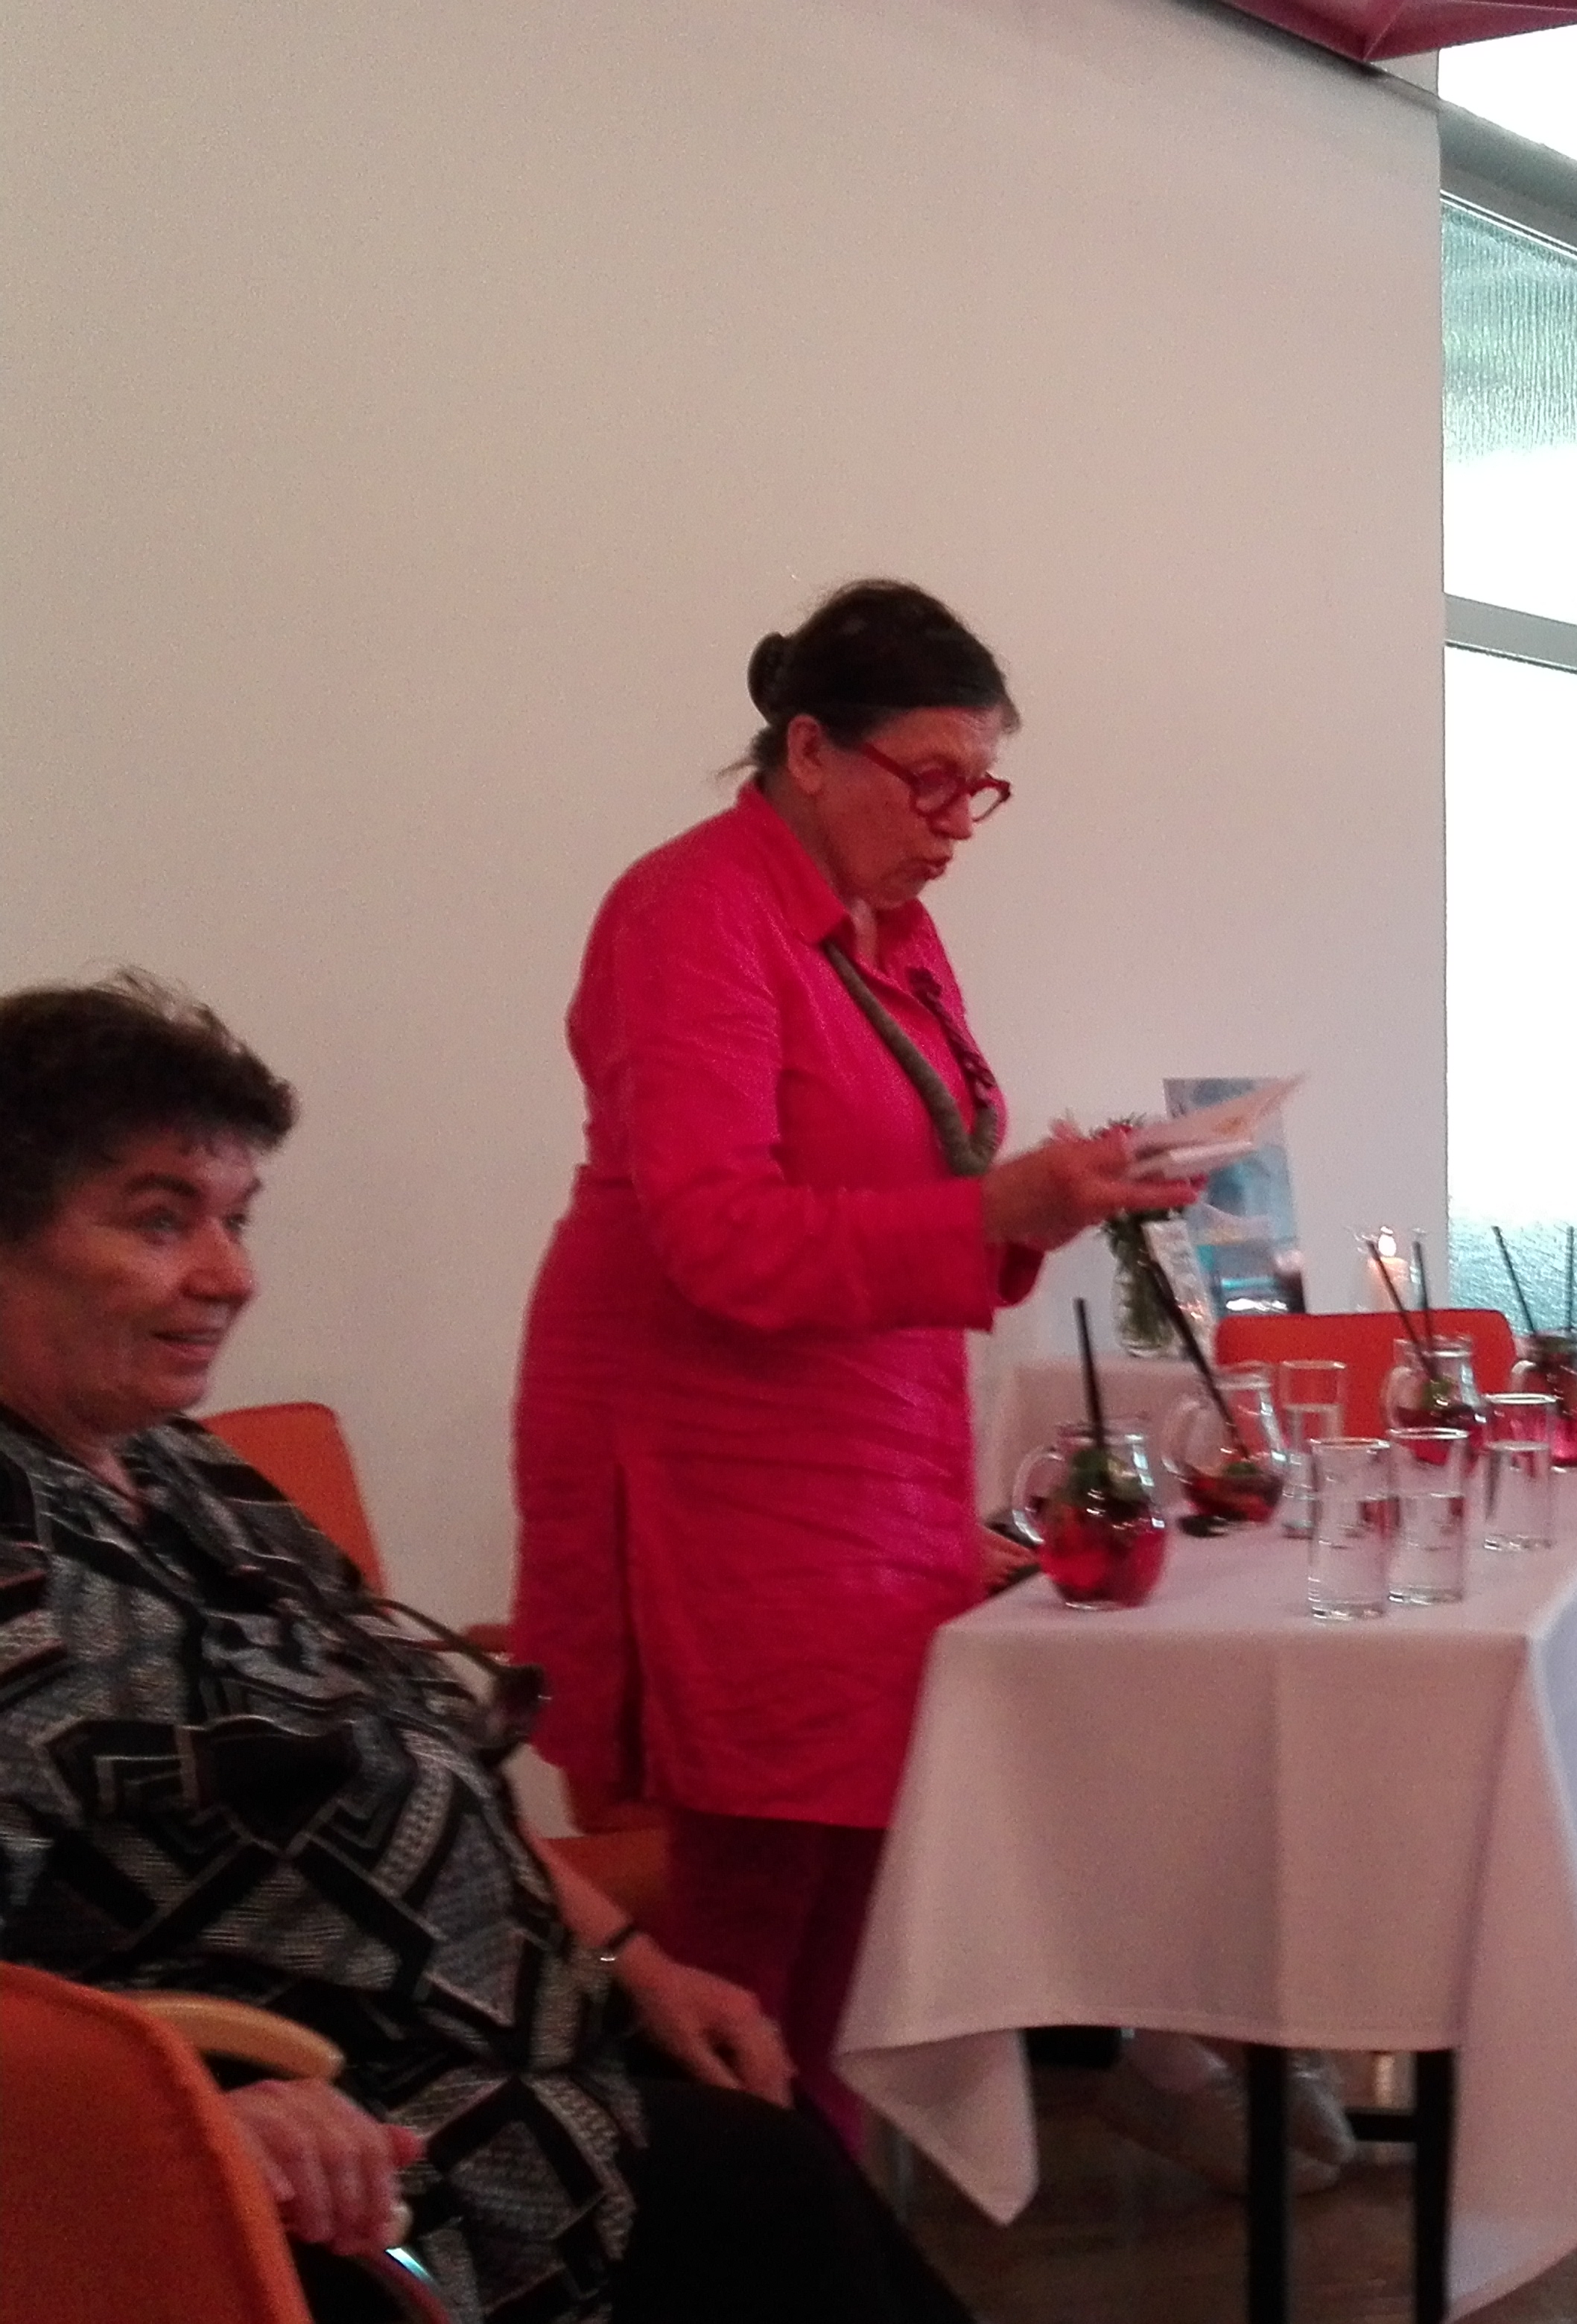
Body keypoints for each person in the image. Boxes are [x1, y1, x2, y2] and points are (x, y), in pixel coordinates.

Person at [0, 974, 970, 2323]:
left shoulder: (187, 1472)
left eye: (235, 1219)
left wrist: (632, 1960)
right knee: (763, 2192)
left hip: (506, 2050)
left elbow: (416, 1753)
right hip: (324, 2154)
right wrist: (195, 2105)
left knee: (762, 2121)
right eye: (162, 1222)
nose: (231, 1276)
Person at [507, 581, 1225, 2159]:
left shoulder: (892, 930)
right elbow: (718, 1236)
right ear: (810, 750)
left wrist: (1058, 1194)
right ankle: (745, 2231)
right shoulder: (693, 911)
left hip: (863, 1447)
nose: (957, 824)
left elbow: (929, 1176)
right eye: (930, 781)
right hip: (714, 1455)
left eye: (980, 789)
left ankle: (819, 2222)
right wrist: (997, 1210)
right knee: (748, 1939)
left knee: (856, 1922)